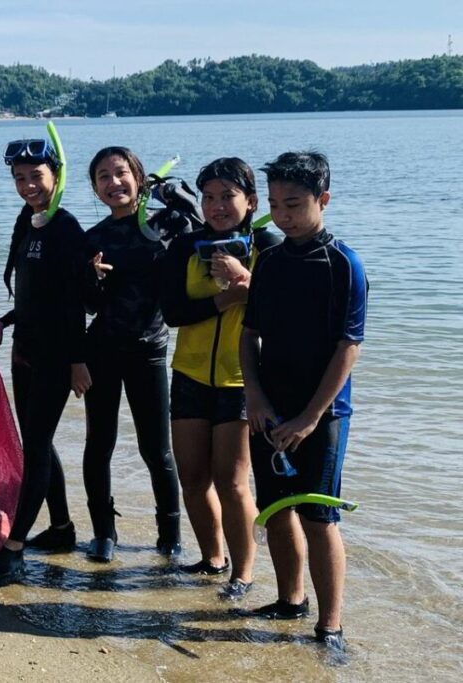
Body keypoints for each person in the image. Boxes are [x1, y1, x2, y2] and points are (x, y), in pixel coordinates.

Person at [240, 151, 367, 653]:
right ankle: (291, 600)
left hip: (323, 413)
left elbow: (348, 347)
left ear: (323, 199)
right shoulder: (269, 261)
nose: (283, 214)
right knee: (274, 510)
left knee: (319, 516)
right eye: (274, 204)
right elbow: (249, 336)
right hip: (269, 405)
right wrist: (255, 395)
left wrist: (311, 417)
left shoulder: (343, 264)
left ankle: (330, 625)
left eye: (293, 203)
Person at [161, 157, 282, 599]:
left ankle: (243, 573)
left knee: (232, 483)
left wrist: (247, 280)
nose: (216, 206)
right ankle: (213, 558)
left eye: (227, 196)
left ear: (250, 201)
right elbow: (171, 313)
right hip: (189, 375)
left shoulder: (268, 247)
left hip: (240, 381)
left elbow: (284, 316)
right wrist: (226, 298)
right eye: (208, 197)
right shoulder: (183, 247)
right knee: (192, 478)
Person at [0, 136, 91, 583]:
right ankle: (62, 528)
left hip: (57, 356)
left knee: (36, 449)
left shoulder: (66, 228)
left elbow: (76, 303)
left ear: (56, 175)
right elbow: (33, 296)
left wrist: (78, 361)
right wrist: (2, 323)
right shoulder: (26, 222)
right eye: (19, 179)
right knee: (37, 442)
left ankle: (14, 546)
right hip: (25, 349)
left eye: (36, 177)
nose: (28, 186)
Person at [81, 146, 183, 563]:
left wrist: (178, 201)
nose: (113, 182)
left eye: (120, 173)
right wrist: (90, 278)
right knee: (98, 443)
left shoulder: (162, 228)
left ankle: (170, 537)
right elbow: (86, 306)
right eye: (103, 176)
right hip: (101, 349)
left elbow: (197, 238)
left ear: (139, 178)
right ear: (95, 188)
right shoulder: (93, 239)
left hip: (150, 351)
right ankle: (103, 533)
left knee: (156, 449)